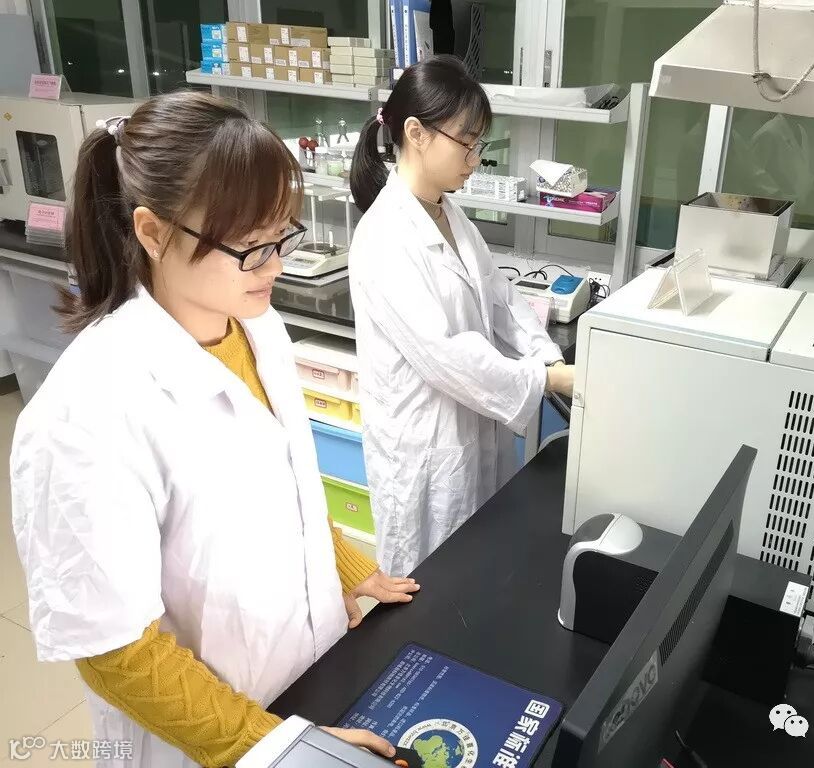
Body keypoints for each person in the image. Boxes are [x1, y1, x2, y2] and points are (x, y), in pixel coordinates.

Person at [9, 91, 419, 768]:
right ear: (153, 232)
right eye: (250, 247)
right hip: (210, 741)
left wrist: (338, 569)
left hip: (307, 681)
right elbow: (117, 653)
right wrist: (274, 746)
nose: (276, 265)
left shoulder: (258, 325)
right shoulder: (85, 414)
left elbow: (283, 481)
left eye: (281, 235)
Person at [348, 56, 575, 577]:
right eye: (466, 143)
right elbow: (446, 353)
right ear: (416, 133)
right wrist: (547, 380)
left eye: (480, 144)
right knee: (431, 587)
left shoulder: (449, 214)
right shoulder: (384, 237)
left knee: (480, 569)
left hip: (472, 434)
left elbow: (501, 300)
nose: (475, 159)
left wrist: (547, 358)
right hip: (425, 452)